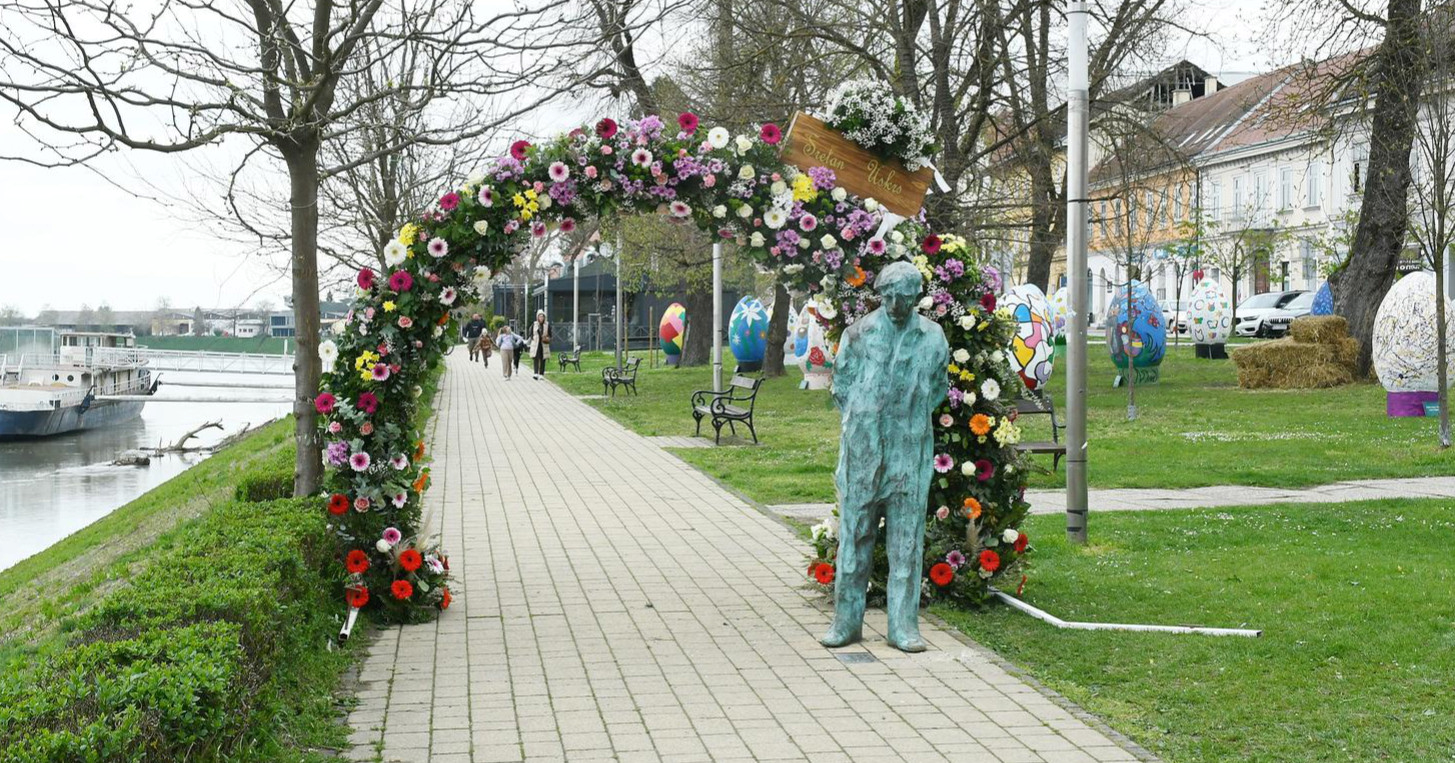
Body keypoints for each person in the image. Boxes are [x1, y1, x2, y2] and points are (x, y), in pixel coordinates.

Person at [820, 261, 948, 653]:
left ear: (916, 297)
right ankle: (846, 623)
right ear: (879, 293)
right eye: (889, 296)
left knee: (906, 543)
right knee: (854, 536)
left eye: (904, 297)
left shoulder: (932, 336)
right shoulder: (858, 333)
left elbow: (939, 387)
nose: (895, 304)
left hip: (909, 452)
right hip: (864, 450)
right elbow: (841, 383)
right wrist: (865, 419)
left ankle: (902, 626)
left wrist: (907, 417)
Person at [527, 310, 551, 380]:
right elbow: (530, 333)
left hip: (543, 344)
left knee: (543, 358)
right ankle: (535, 373)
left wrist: (547, 337)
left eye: (542, 316)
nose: (541, 318)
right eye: (540, 316)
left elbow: (550, 334)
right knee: (535, 358)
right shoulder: (534, 324)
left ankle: (541, 373)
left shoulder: (547, 324)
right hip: (536, 344)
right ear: (537, 317)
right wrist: (533, 338)